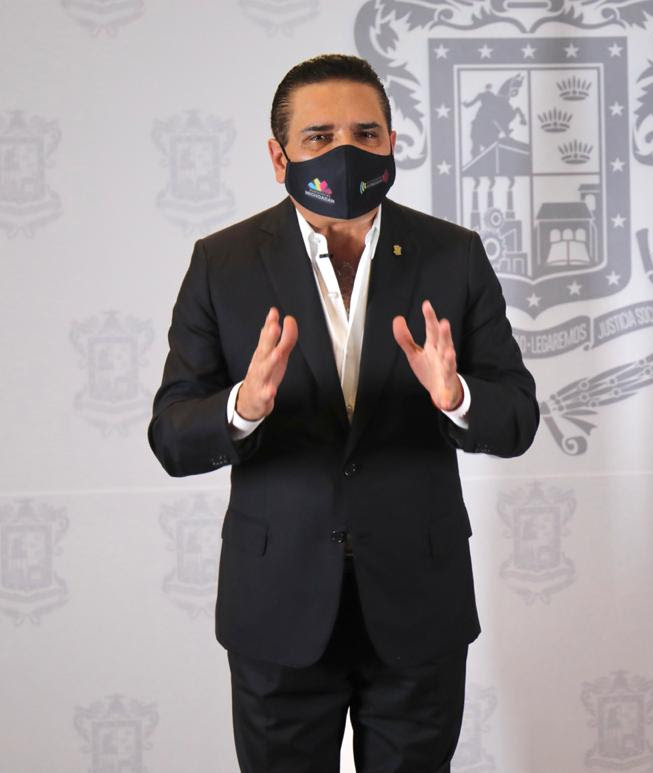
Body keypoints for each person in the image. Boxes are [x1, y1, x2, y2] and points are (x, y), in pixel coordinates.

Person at [147, 53, 539, 773]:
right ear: (279, 157)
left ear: (392, 145)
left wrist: (456, 397)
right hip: (277, 605)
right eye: (319, 137)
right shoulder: (222, 263)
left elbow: (517, 419)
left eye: (365, 133)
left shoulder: (453, 255)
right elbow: (171, 435)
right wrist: (242, 407)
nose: (345, 152)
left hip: (418, 602)